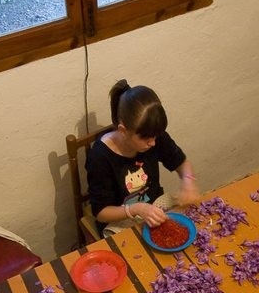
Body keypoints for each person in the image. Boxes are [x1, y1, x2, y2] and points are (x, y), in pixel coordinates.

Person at [86, 79, 201, 236]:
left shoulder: (152, 134)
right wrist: (137, 209)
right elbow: (100, 212)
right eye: (146, 138)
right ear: (123, 130)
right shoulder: (100, 156)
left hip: (154, 205)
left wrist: (188, 181)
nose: (153, 143)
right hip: (119, 218)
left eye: (155, 136)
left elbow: (181, 162)